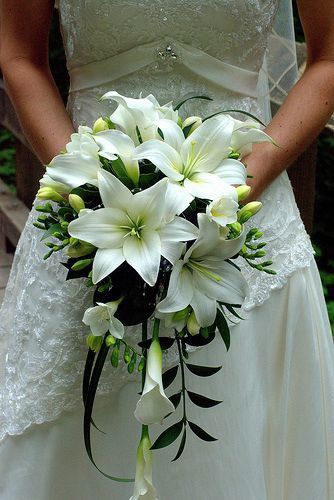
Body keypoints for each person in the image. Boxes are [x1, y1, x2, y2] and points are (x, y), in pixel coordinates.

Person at [0, 0, 333, 499]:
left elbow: (328, 57)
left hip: (245, 219)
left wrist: (240, 185)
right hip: (86, 224)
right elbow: (19, 55)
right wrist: (90, 189)